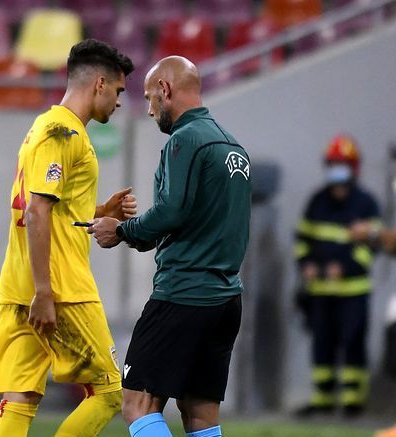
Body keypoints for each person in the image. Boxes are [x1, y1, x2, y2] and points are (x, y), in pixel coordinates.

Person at [88, 56, 252, 437]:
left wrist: (123, 230)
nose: (148, 110)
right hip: (226, 299)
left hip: (184, 294)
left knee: (137, 403)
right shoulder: (232, 146)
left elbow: (171, 212)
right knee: (200, 412)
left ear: (165, 90)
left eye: (149, 99)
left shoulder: (185, 139)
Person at [0, 38, 136, 437]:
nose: (120, 102)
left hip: (20, 286)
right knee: (109, 391)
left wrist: (102, 211)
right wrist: (45, 291)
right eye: (119, 91)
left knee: (20, 398)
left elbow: (52, 208)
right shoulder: (63, 133)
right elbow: (36, 211)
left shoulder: (43, 125)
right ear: (100, 84)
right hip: (59, 287)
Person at [293, 134, 380, 417]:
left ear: (353, 170)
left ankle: (353, 402)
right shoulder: (316, 201)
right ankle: (323, 400)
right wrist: (305, 263)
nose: (337, 172)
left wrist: (345, 268)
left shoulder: (366, 203)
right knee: (322, 346)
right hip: (320, 291)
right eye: (333, 165)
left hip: (353, 292)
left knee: (353, 345)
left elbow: (370, 249)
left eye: (342, 166)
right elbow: (302, 239)